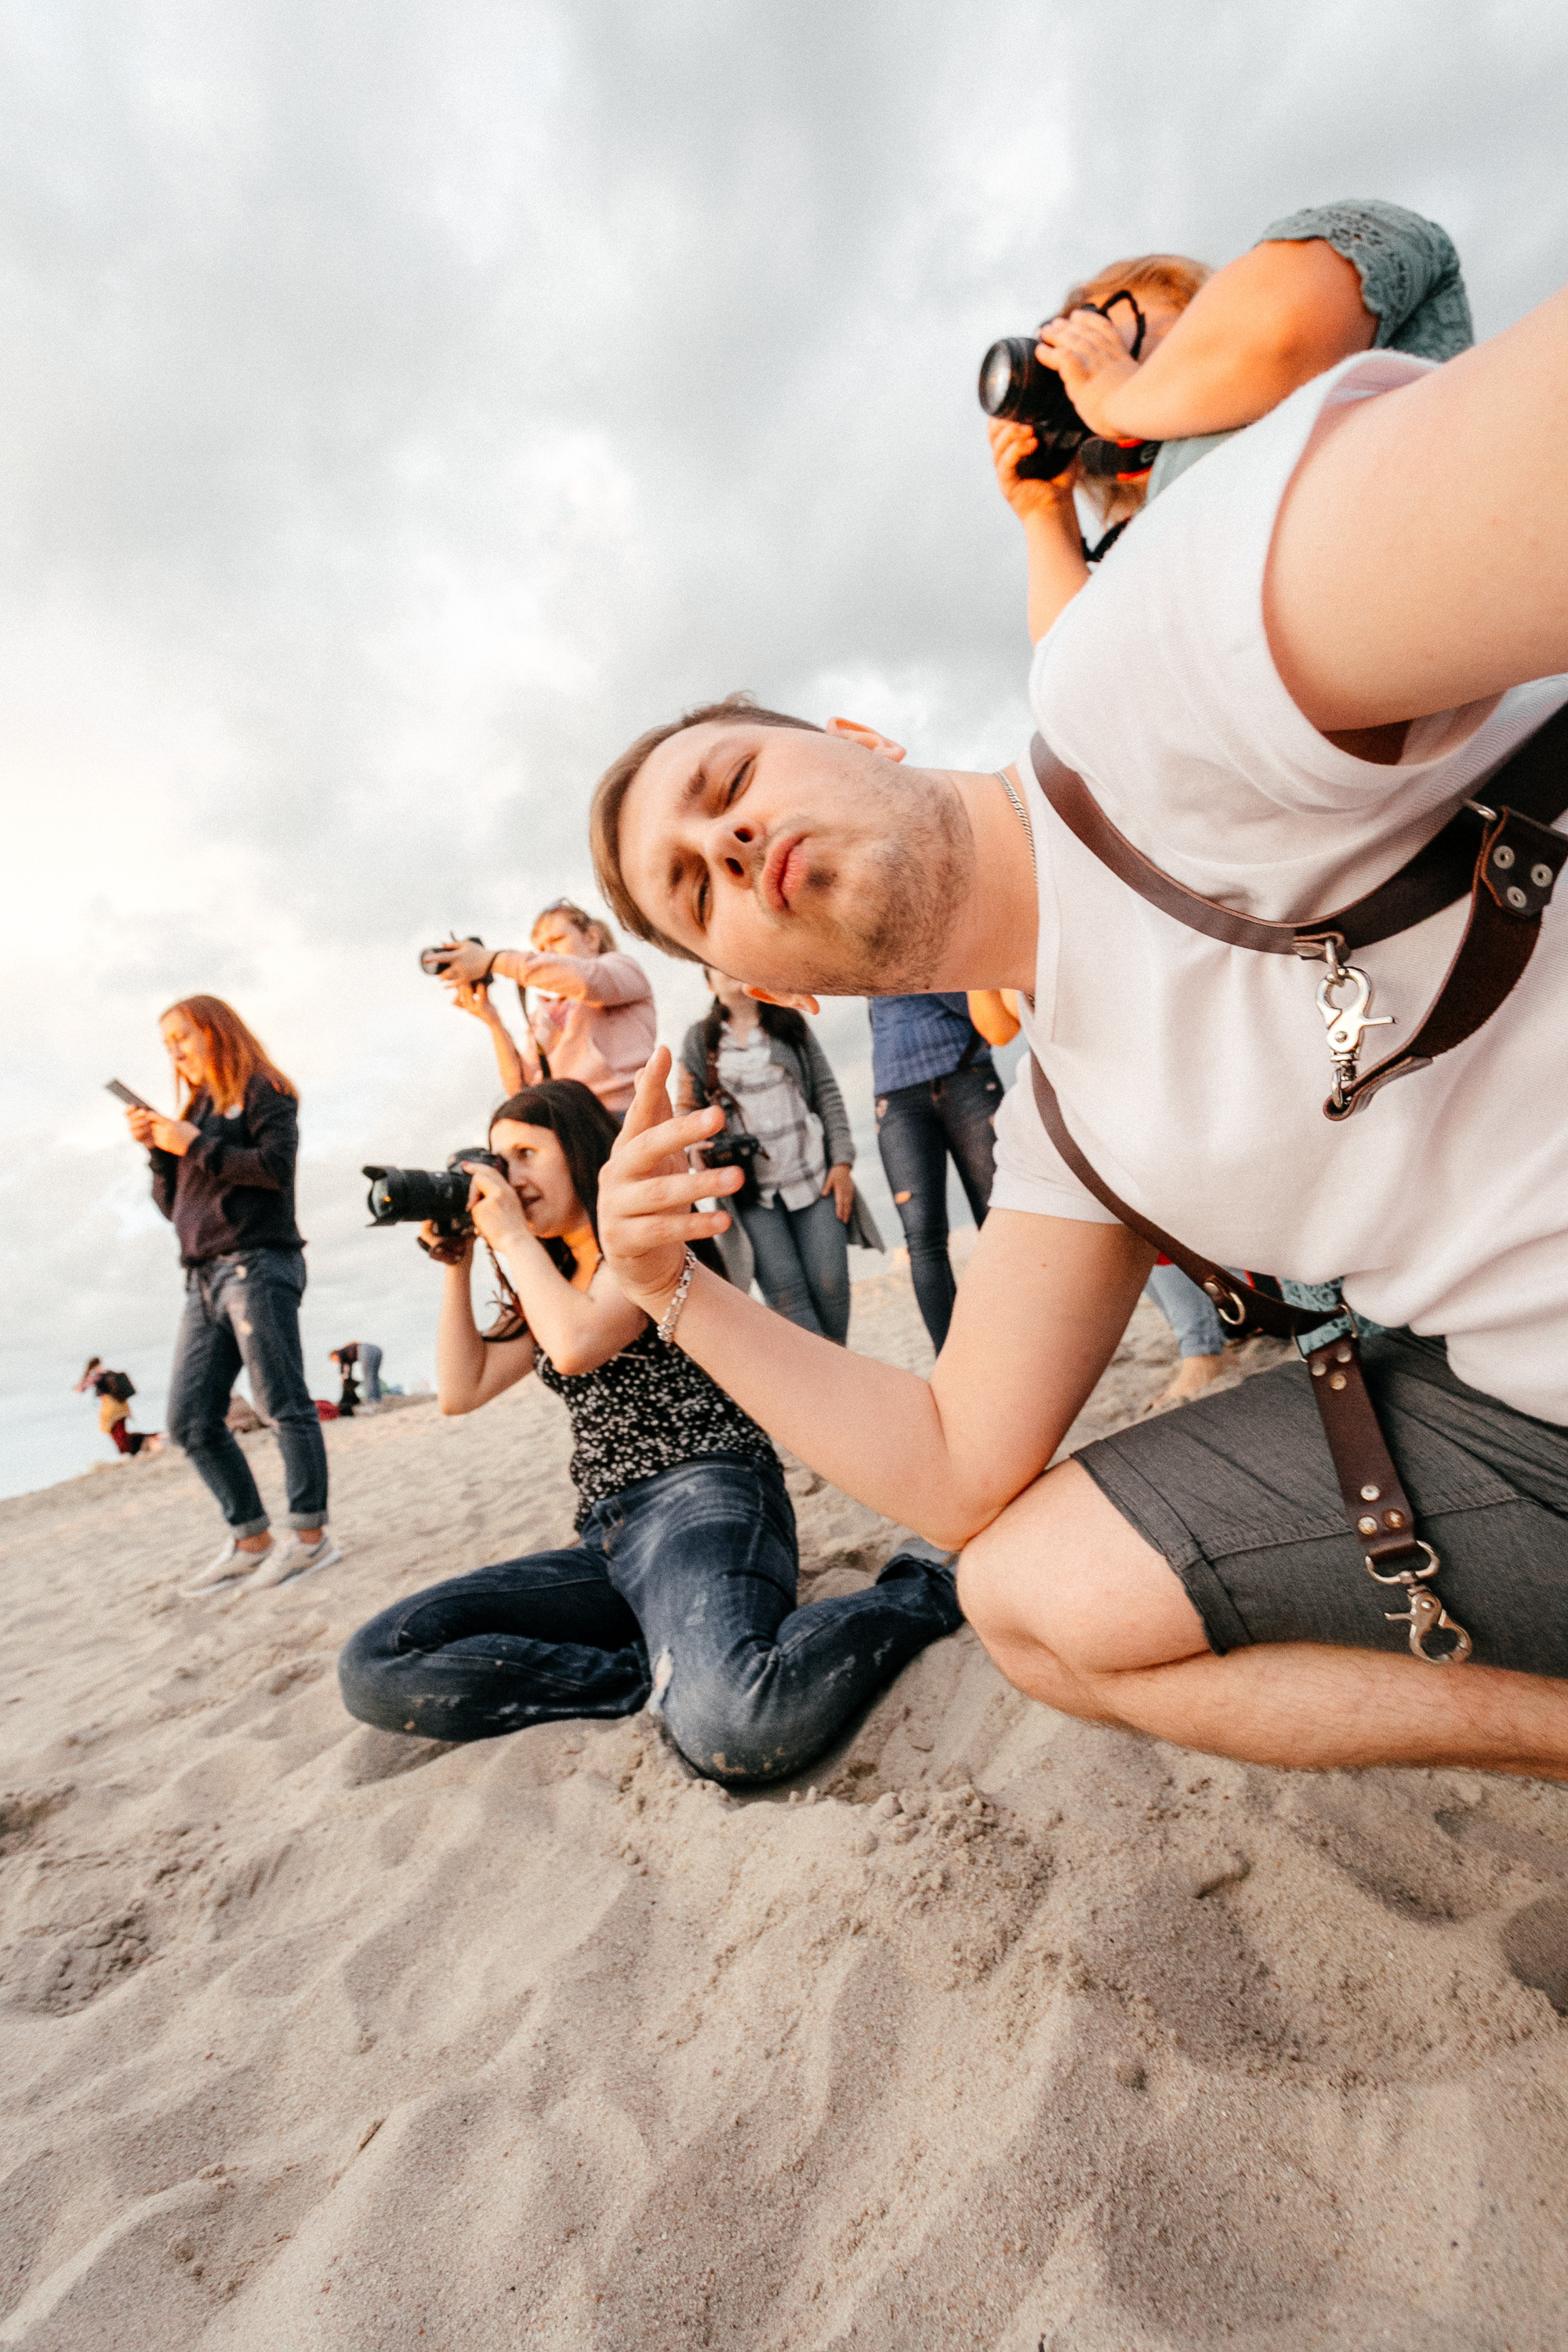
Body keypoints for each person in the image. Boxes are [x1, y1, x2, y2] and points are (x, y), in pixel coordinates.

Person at [583, 230, 1568, 1784]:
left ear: (857, 733)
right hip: (1543, 1426)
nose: (724, 845)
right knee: (1026, 1597)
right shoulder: (1067, 1117)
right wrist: (672, 1291)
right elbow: (960, 1467)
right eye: (694, 888)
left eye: (726, 788)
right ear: (756, 985)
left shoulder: (1140, 675)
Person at [336, 1080, 959, 1777]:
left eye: (524, 1154)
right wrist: (457, 1264)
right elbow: (462, 1388)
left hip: (708, 1498)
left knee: (741, 1724)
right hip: (609, 1539)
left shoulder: (639, 1249)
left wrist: (509, 1234)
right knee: (376, 1661)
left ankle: (925, 1586)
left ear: (579, 1152)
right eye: (496, 1159)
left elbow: (576, 1343)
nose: (507, 1177)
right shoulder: (553, 1280)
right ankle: (643, 1679)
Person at [990, 201, 1473, 644]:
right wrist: (1045, 514)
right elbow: (1079, 681)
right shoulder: (1147, 546)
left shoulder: (1312, 356)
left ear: (1201, 307)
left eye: (1101, 330)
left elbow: (1281, 327)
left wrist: (1120, 396)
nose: (1081, 363)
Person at [124, 996, 338, 1596]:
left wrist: (191, 1143)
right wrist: (157, 1151)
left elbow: (274, 1167)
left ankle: (311, 1539)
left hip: (257, 1263)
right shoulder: (192, 1108)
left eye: (183, 1036)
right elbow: (176, 1209)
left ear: (216, 1032)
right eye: (167, 1043)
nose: (175, 1051)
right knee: (190, 1420)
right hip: (200, 1278)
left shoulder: (265, 1088)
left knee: (281, 1402)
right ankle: (251, 1540)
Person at [675, 970, 880, 1344]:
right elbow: (685, 1111)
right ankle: (826, 1383)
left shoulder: (789, 1023)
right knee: (785, 1295)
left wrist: (842, 1163)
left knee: (831, 1281)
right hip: (750, 1192)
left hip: (813, 1176)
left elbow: (827, 1092)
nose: (727, 971)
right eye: (715, 968)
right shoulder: (699, 1039)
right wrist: (694, 1147)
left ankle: (836, 1369)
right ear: (708, 984)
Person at [435, 899, 656, 1123]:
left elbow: (589, 981)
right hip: (568, 1126)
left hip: (623, 1117)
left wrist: (493, 960)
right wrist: (493, 1022)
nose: (547, 953)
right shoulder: (544, 1011)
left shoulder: (622, 969)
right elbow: (521, 1087)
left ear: (591, 938)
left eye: (557, 940)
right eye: (540, 949)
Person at [868, 994, 1004, 1352]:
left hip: (967, 1070)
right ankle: (954, 1362)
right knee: (923, 1238)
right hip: (895, 1091)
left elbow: (976, 1000)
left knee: (1000, 1219)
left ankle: (1015, 1350)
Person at [74, 1359, 163, 1458]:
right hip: (122, 1406)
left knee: (117, 1432)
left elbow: (79, 1389)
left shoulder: (96, 1377)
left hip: (111, 1408)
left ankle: (130, 1449)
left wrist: (86, 1375)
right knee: (120, 1431)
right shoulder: (110, 1373)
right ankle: (145, 1441)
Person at [330, 1342, 383, 1410]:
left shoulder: (340, 1352)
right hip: (376, 1349)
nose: (336, 1361)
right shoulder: (348, 1353)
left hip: (365, 1351)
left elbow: (342, 1365)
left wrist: (342, 1377)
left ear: (335, 1355)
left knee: (368, 1376)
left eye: (335, 1360)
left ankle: (371, 1399)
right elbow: (349, 1369)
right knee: (374, 1376)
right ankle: (377, 1398)